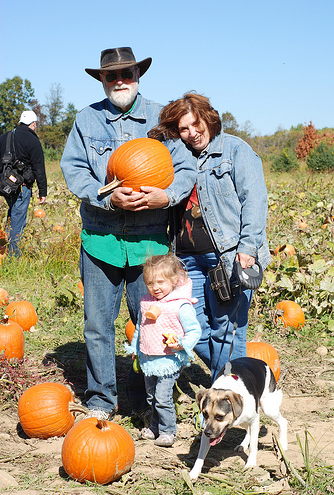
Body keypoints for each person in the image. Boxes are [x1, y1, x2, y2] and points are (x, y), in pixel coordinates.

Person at [60, 48, 196, 420]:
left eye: (127, 72)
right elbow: (74, 170)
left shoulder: (161, 117)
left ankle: (147, 399)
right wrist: (104, 197)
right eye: (111, 75)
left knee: (153, 321)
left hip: (150, 243)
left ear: (138, 73)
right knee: (97, 325)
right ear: (101, 80)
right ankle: (101, 400)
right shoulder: (86, 120)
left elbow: (185, 168)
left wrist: (165, 196)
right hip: (101, 239)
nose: (120, 80)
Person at [149, 93, 271, 383]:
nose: (192, 134)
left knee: (227, 331)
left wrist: (248, 247)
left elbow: (255, 200)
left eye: (196, 124)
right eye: (184, 129)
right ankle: (232, 381)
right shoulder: (176, 158)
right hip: (186, 260)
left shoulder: (235, 151)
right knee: (196, 327)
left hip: (227, 257)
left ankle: (225, 398)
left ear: (209, 118)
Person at [125, 253, 201, 446]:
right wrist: (136, 347)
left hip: (169, 361)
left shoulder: (180, 305)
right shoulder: (146, 302)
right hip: (148, 360)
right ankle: (154, 427)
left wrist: (182, 344)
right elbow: (141, 328)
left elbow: (194, 330)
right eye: (150, 283)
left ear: (174, 280)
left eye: (160, 282)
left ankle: (169, 431)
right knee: (151, 396)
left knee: (162, 397)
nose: (155, 287)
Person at [0, 111, 47, 256]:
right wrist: (42, 192)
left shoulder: (5, 136)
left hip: (4, 186)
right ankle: (13, 257)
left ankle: (4, 247)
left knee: (13, 213)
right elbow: (39, 168)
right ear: (33, 124)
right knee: (18, 220)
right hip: (22, 186)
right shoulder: (32, 140)